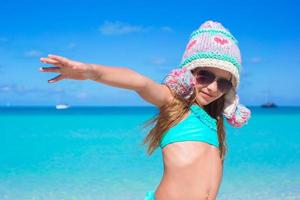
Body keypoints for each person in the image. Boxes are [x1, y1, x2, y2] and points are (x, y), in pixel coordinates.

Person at [39, 20, 251, 200]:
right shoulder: (175, 104)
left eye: (223, 82)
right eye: (204, 75)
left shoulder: (214, 122)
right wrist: (89, 71)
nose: (213, 87)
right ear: (188, 73)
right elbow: (139, 83)